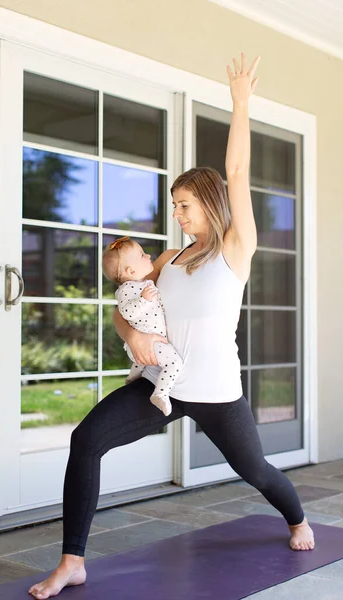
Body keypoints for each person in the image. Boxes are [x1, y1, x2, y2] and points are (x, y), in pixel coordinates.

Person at [29, 52, 314, 600]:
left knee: (256, 470)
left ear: (208, 203)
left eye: (184, 205)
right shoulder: (168, 259)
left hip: (216, 391)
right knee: (86, 440)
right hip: (162, 386)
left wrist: (240, 102)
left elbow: (236, 173)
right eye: (174, 206)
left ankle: (296, 519)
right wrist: (129, 334)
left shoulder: (235, 249)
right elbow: (125, 302)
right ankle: (73, 561)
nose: (178, 215)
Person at [102, 235, 183, 416]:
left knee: (140, 363)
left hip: (150, 341)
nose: (148, 255)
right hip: (149, 342)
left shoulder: (143, 283)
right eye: (142, 255)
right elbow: (126, 313)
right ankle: (160, 393)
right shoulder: (127, 289)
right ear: (130, 271)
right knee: (174, 362)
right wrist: (144, 300)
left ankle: (132, 377)